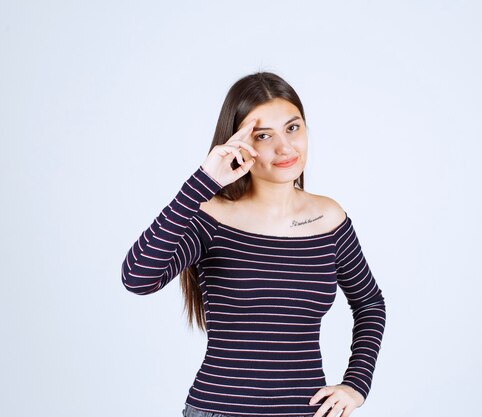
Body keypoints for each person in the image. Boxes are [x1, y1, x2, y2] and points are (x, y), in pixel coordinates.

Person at [121, 72, 387, 417]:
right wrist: (203, 182)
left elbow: (369, 302)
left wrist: (356, 384)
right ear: (237, 143)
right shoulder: (211, 218)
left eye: (293, 128)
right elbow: (138, 277)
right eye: (263, 136)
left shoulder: (329, 218)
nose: (285, 148)